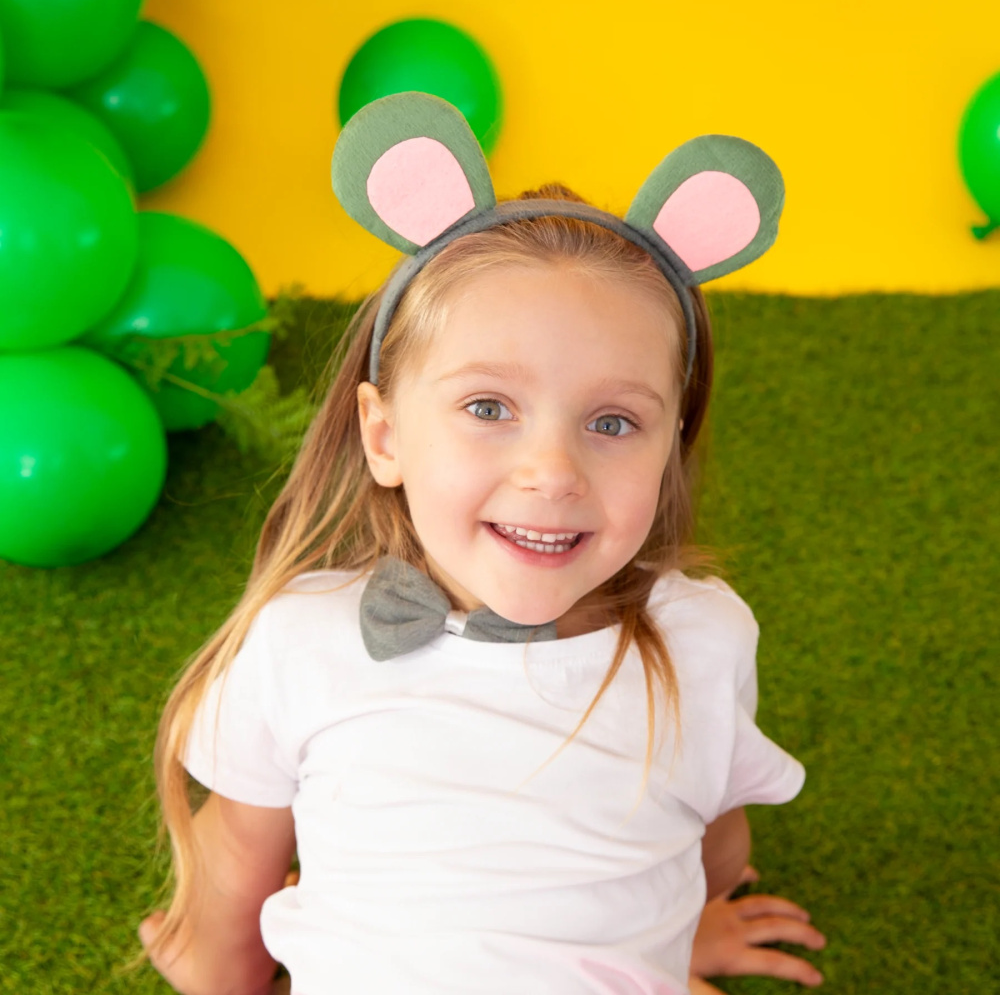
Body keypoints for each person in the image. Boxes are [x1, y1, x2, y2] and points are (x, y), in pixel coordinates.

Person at [136, 92, 825, 995]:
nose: (553, 471)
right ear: (385, 435)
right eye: (489, 407)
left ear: (671, 450)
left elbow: (233, 881)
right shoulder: (304, 639)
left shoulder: (702, 638)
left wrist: (671, 932)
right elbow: (715, 849)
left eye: (613, 422)